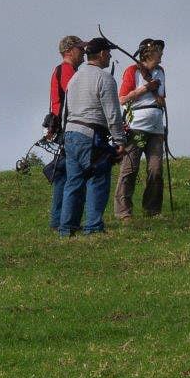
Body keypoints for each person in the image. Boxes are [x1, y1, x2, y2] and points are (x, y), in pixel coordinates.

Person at [58, 37, 127, 237]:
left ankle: (67, 229)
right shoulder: (105, 79)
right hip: (92, 134)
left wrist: (65, 135)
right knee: (98, 178)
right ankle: (93, 227)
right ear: (103, 54)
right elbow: (113, 114)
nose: (110, 56)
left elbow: (65, 109)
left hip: (71, 132)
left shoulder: (75, 78)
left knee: (73, 182)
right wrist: (120, 141)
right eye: (109, 53)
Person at [114, 39, 167, 220]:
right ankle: (123, 212)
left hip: (156, 128)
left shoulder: (161, 72)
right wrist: (145, 88)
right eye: (158, 50)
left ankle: (152, 209)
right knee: (130, 168)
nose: (161, 53)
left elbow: (162, 99)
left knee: (156, 169)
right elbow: (122, 99)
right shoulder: (132, 71)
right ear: (149, 53)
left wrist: (159, 99)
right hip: (137, 128)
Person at [47, 35, 84, 231]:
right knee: (67, 176)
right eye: (80, 48)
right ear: (69, 51)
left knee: (64, 174)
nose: (84, 51)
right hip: (68, 126)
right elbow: (75, 93)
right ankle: (60, 221)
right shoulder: (67, 69)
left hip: (61, 126)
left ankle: (59, 220)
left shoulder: (63, 69)